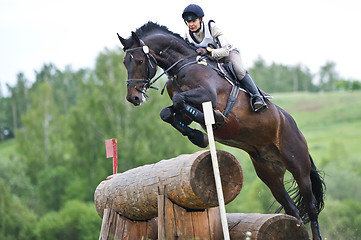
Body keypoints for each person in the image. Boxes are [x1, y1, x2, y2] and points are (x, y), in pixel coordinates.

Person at [182, 4, 267, 112]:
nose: (191, 24)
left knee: (238, 69)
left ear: (201, 19)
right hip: (210, 60)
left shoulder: (211, 27)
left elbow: (225, 50)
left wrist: (208, 51)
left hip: (228, 54)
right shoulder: (187, 36)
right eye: (189, 22)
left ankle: (257, 97)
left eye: (194, 21)